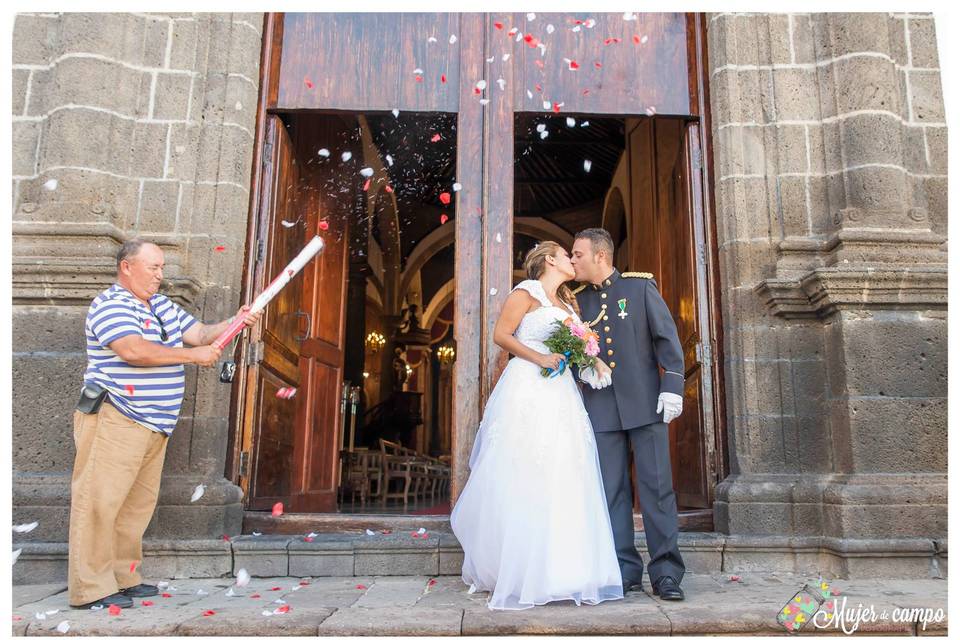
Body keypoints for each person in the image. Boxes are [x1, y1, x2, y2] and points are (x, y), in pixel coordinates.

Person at [69, 239, 263, 609]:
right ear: (126, 266)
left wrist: (236, 321)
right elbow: (133, 350)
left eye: (161, 268)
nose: (160, 275)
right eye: (153, 267)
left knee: (134, 506)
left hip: (156, 423)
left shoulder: (161, 306)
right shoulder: (111, 304)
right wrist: (193, 357)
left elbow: (204, 334)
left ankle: (124, 578)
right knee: (99, 502)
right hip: (117, 415)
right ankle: (90, 588)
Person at [450, 241, 623, 611]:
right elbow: (502, 335)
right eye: (566, 255)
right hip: (528, 386)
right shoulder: (525, 292)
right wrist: (540, 356)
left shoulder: (566, 303)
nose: (572, 261)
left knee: (565, 471)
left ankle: (565, 570)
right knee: (527, 469)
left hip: (561, 392)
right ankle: (520, 570)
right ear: (549, 260)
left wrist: (592, 363)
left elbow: (575, 348)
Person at [569, 228, 687, 601]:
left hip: (644, 403)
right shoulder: (576, 302)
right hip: (601, 409)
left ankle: (666, 573)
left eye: (578, 255)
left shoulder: (638, 289)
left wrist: (672, 384)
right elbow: (572, 351)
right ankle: (624, 570)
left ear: (600, 256)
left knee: (656, 489)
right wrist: (581, 368)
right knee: (611, 492)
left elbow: (666, 338)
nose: (573, 261)